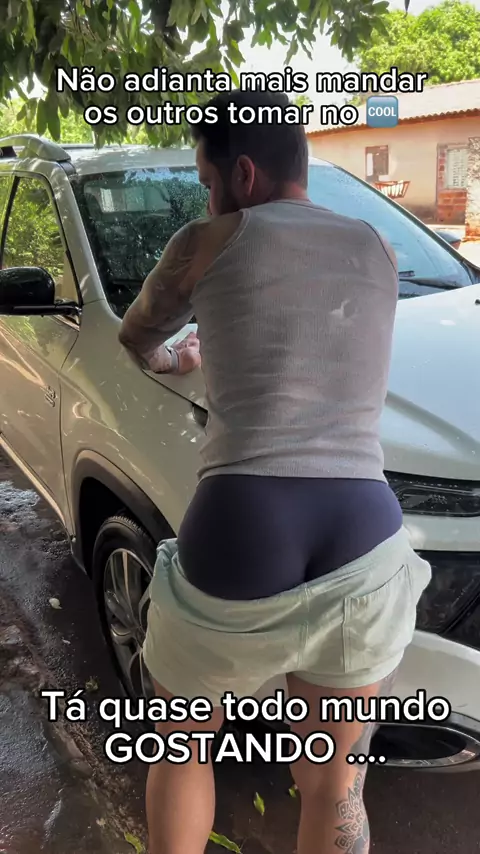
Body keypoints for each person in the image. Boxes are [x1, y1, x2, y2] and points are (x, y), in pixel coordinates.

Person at [118, 90, 432, 854]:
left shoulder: (206, 241)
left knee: (182, 745)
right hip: (363, 537)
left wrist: (177, 358)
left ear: (244, 174)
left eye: (207, 180)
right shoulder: (379, 247)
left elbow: (137, 337)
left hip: (241, 528)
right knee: (335, 783)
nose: (208, 198)